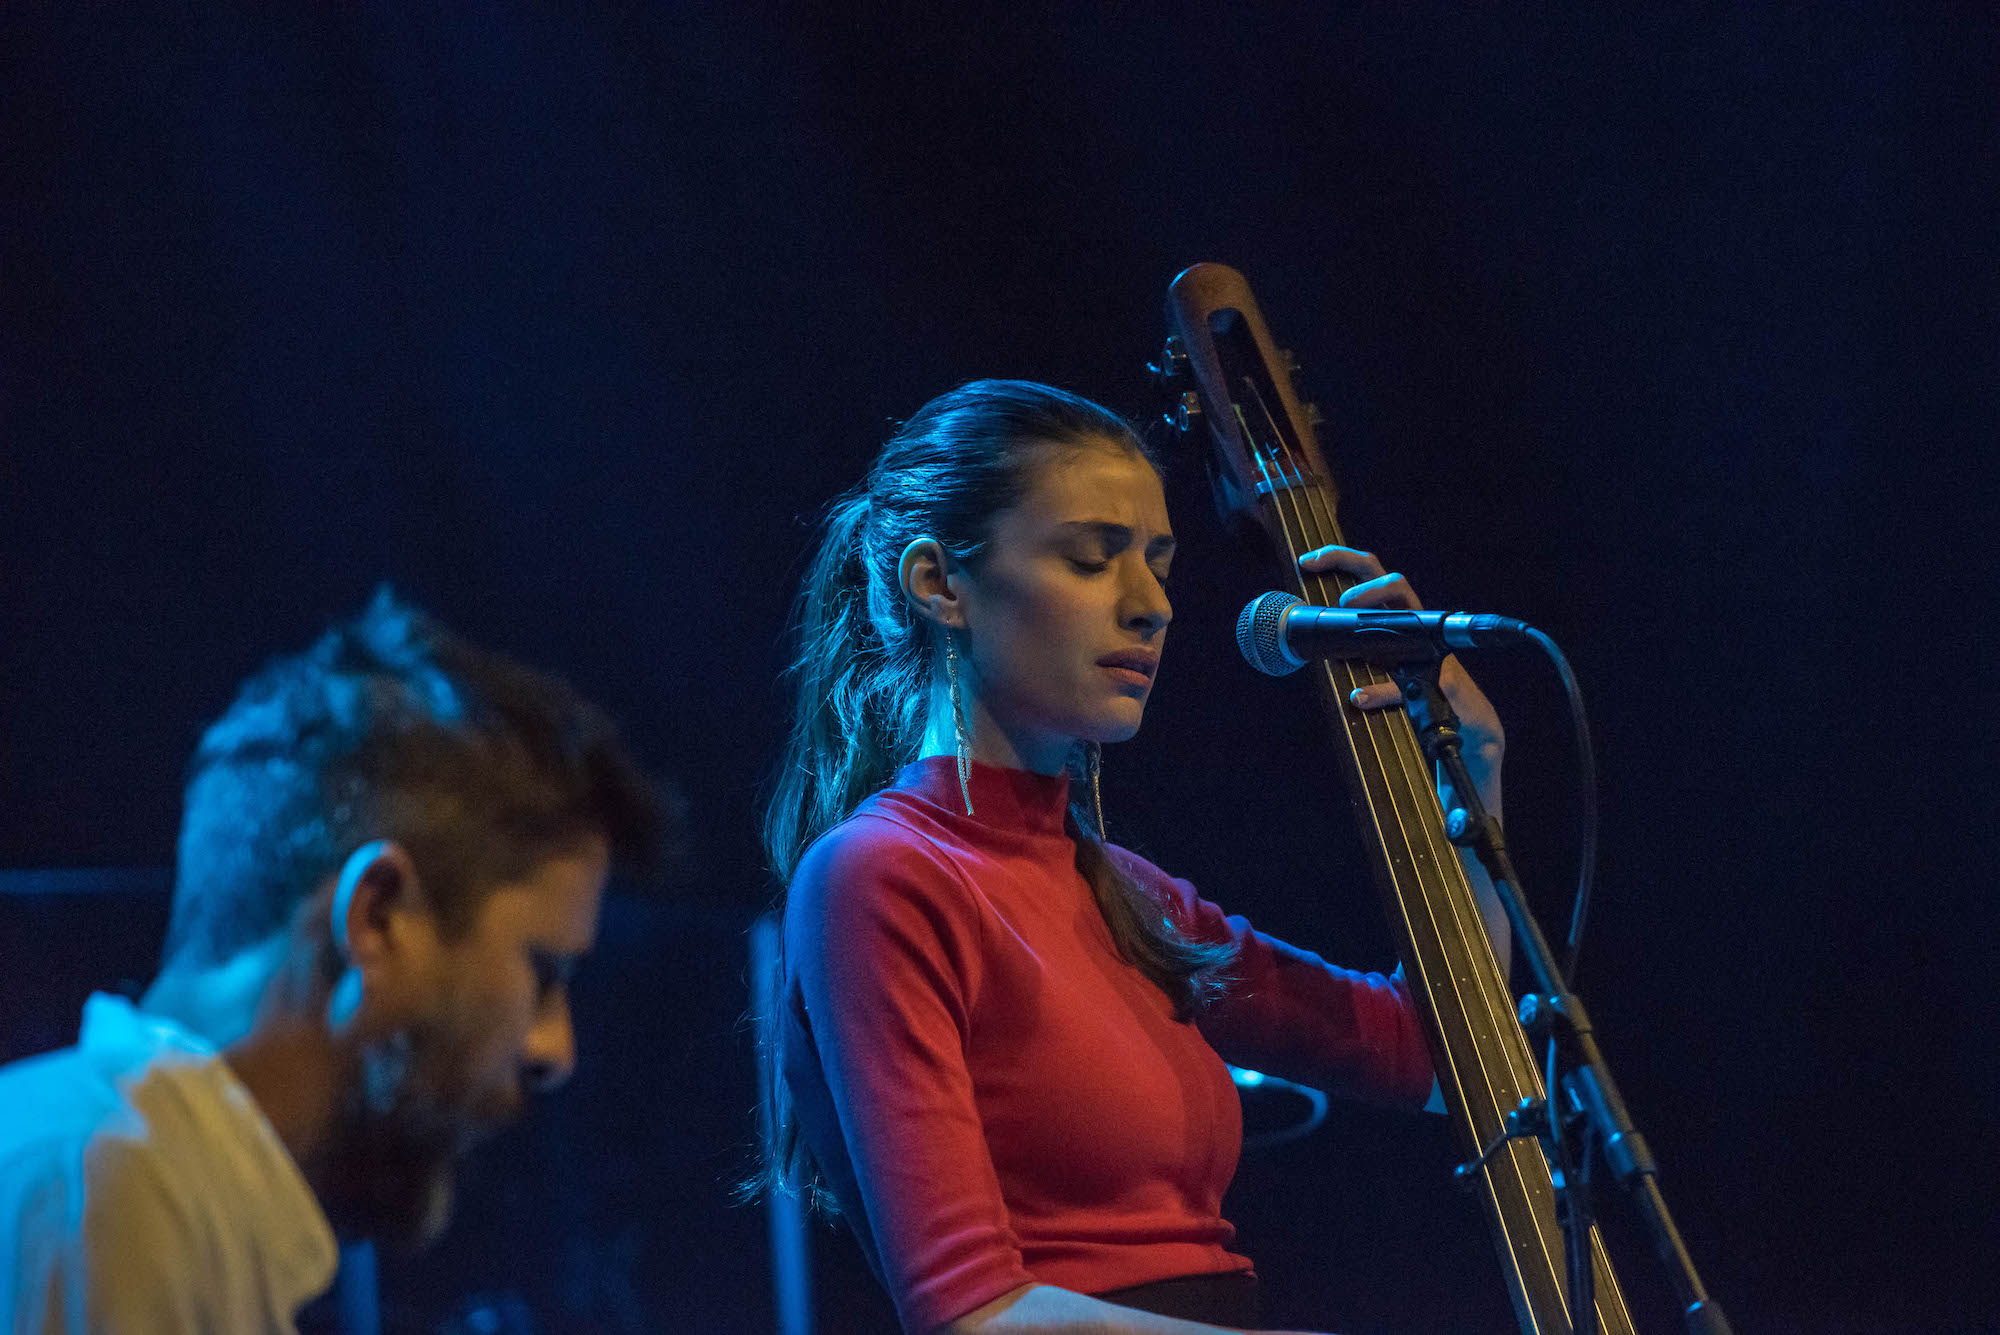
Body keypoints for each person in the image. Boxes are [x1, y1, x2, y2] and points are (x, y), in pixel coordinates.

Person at [756, 380, 1513, 1335]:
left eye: (1158, 563)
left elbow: (1432, 1053)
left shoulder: (1130, 896)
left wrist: (1472, 767)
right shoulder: (880, 875)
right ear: (939, 583)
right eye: (1090, 559)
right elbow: (974, 1313)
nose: (1152, 606)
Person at [0, 591, 663, 1333]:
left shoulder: (146, 1193)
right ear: (375, 917)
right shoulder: (97, 1190)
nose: (555, 1051)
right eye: (544, 972)